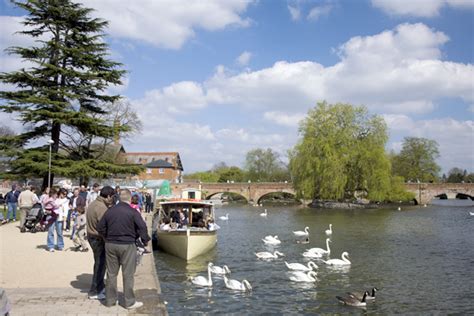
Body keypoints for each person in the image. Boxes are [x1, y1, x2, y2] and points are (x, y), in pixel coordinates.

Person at [97, 189, 150, 309]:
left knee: (111, 273)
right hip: (128, 245)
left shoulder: (110, 211)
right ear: (130, 198)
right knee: (128, 274)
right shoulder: (132, 212)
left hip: (110, 244)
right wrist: (145, 240)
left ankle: (110, 301)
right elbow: (142, 227)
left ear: (119, 198)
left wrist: (106, 238)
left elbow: (100, 227)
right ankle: (129, 302)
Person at [86, 185, 115, 300]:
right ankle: (94, 291)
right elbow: (104, 225)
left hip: (91, 236)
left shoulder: (94, 203)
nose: (112, 199)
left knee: (99, 263)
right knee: (100, 264)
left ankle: (100, 286)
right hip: (98, 238)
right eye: (112, 197)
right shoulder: (101, 208)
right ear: (108, 196)